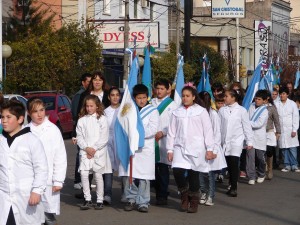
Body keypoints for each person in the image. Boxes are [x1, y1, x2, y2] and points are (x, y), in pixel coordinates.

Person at [166, 86, 214, 213]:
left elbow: (208, 130)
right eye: (183, 96)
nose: (185, 98)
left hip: (196, 148)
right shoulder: (177, 112)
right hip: (179, 147)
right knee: (177, 171)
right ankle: (184, 195)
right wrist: (169, 150)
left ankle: (193, 201)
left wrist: (210, 148)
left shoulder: (201, 111)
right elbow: (171, 132)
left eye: (188, 96)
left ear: (193, 97)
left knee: (194, 175)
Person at [0, 99, 48, 225]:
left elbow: (41, 168)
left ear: (20, 119)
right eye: (2, 117)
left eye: (8, 117)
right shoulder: (1, 141)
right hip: (4, 198)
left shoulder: (32, 141)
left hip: (26, 197)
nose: (4, 120)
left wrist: (37, 191)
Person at [26, 98, 67, 225]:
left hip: (49, 180)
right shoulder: (25, 131)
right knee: (32, 215)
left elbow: (60, 156)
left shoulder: (53, 130)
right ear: (28, 113)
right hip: (30, 181)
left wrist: (58, 180)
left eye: (42, 110)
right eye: (35, 111)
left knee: (48, 215)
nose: (39, 114)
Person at [122, 84, 159, 213]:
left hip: (145, 148)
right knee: (130, 175)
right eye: (139, 98)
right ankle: (131, 199)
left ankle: (143, 201)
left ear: (147, 97)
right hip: (131, 148)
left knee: (144, 176)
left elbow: (152, 129)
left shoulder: (152, 110)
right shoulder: (129, 110)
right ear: (134, 98)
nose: (142, 100)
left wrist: (136, 136)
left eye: (144, 97)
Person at [76, 94, 112, 210]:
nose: (89, 108)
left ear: (97, 106)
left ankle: (100, 200)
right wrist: (86, 148)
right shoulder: (82, 120)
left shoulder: (102, 119)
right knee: (84, 174)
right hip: (85, 151)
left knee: (98, 175)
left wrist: (94, 149)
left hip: (98, 152)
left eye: (91, 106)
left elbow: (104, 137)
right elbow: (79, 137)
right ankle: (87, 198)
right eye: (87, 106)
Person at [219, 89, 253, 197]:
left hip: (236, 141)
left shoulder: (242, 110)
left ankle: (234, 187)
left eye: (226, 96)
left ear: (233, 98)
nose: (224, 98)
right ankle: (231, 182)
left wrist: (249, 141)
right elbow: (218, 127)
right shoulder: (222, 110)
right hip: (225, 141)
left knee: (234, 162)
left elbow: (246, 126)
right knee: (228, 163)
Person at [151, 79, 178, 205]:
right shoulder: (151, 103)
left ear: (168, 90)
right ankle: (158, 191)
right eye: (157, 88)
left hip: (164, 140)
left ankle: (162, 195)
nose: (159, 91)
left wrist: (163, 132)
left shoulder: (173, 105)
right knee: (152, 170)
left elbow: (174, 124)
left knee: (163, 169)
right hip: (151, 140)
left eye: (162, 89)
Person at [198, 91, 227, 206]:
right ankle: (203, 192)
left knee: (209, 174)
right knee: (201, 172)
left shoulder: (213, 114)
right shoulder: (197, 113)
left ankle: (210, 195)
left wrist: (214, 150)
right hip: (200, 148)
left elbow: (217, 133)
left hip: (211, 148)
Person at [72, 73, 92, 190]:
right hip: (80, 128)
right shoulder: (79, 95)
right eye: (88, 82)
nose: (90, 84)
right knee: (80, 154)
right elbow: (75, 113)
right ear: (83, 83)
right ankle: (78, 180)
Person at [275, 87, 300, 172]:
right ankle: (287, 165)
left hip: (290, 129)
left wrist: (294, 129)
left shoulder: (292, 104)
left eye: (284, 94)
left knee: (292, 148)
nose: (282, 95)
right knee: (284, 148)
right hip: (281, 129)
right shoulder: (276, 103)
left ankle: (294, 165)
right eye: (281, 94)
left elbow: (296, 117)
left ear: (287, 94)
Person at [247, 90, 269, 185]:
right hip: (250, 136)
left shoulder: (265, 111)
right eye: (256, 98)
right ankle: (251, 176)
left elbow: (258, 124)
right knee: (250, 158)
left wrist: (247, 123)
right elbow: (246, 117)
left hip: (259, 136)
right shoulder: (251, 106)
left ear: (264, 101)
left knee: (260, 158)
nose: (257, 100)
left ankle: (261, 173)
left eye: (259, 99)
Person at [103, 87, 121, 205]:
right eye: (112, 95)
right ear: (109, 97)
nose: (115, 97)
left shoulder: (125, 109)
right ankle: (107, 194)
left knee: (123, 168)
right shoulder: (105, 111)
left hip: (121, 142)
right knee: (108, 169)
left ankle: (126, 192)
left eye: (117, 95)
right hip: (108, 142)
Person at [265, 91, 281, 179]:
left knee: (269, 151)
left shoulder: (272, 108)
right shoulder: (256, 107)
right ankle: (263, 168)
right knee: (261, 152)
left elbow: (277, 121)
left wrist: (278, 132)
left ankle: (270, 168)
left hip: (270, 132)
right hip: (259, 133)